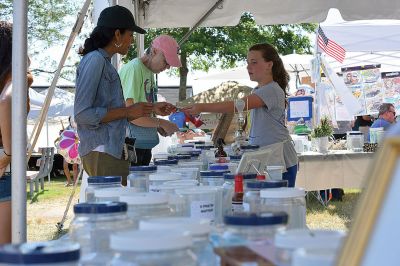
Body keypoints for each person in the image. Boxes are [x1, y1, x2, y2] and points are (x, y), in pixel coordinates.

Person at [74, 5, 175, 185]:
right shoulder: (95, 60)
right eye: (130, 35)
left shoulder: (104, 62)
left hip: (112, 149)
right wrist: (128, 112)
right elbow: (83, 114)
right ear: (117, 34)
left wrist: (152, 108)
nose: (131, 41)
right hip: (101, 150)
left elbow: (114, 110)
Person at [182, 43, 298, 187]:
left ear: (269, 65)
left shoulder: (271, 90)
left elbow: (237, 105)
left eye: (254, 62)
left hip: (280, 160)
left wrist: (202, 106)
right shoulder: (259, 90)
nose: (249, 67)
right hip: (269, 157)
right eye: (248, 63)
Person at [119, 35, 180, 166]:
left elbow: (140, 109)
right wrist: (161, 123)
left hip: (142, 144)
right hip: (129, 145)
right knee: (132, 184)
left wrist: (155, 111)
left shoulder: (149, 72)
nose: (168, 67)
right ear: (154, 51)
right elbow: (130, 115)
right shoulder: (134, 68)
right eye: (166, 61)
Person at [0, 21, 33, 244]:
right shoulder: (14, 78)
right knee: (8, 250)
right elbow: (7, 100)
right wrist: (10, 154)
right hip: (6, 166)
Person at [63, 116, 79, 186]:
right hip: (67, 150)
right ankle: (69, 181)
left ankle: (75, 182)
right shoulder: (67, 128)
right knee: (65, 166)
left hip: (75, 148)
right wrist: (61, 133)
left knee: (75, 166)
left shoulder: (77, 128)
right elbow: (63, 136)